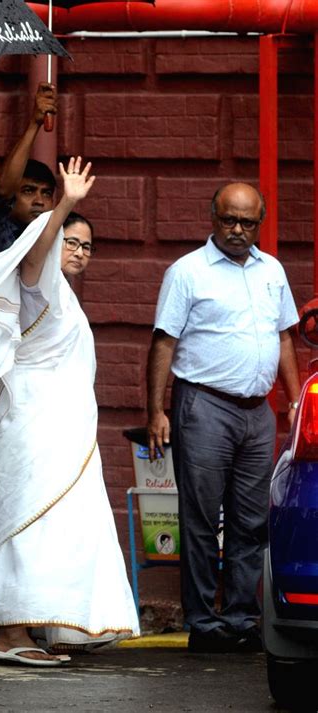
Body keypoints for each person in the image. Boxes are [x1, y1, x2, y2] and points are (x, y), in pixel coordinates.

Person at [0, 157, 140, 666]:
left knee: (52, 523)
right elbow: (38, 255)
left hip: (54, 425)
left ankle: (28, 627)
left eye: (85, 245)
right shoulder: (32, 276)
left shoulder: (57, 293)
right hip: (28, 422)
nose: (75, 251)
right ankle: (10, 632)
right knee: (23, 521)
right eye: (68, 240)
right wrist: (67, 203)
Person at [147, 182, 301, 654]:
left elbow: (286, 338)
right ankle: (203, 621)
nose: (237, 230)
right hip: (204, 406)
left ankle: (240, 617)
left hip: (258, 412)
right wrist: (155, 410)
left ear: (261, 222)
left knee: (251, 521)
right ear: (213, 218)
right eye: (228, 220)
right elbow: (163, 343)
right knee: (198, 518)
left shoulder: (272, 270)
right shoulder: (188, 272)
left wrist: (295, 401)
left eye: (247, 222)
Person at [0, 81, 57, 281]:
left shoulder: (52, 238)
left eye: (46, 193)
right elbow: (4, 191)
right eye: (28, 191)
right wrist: (35, 123)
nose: (39, 201)